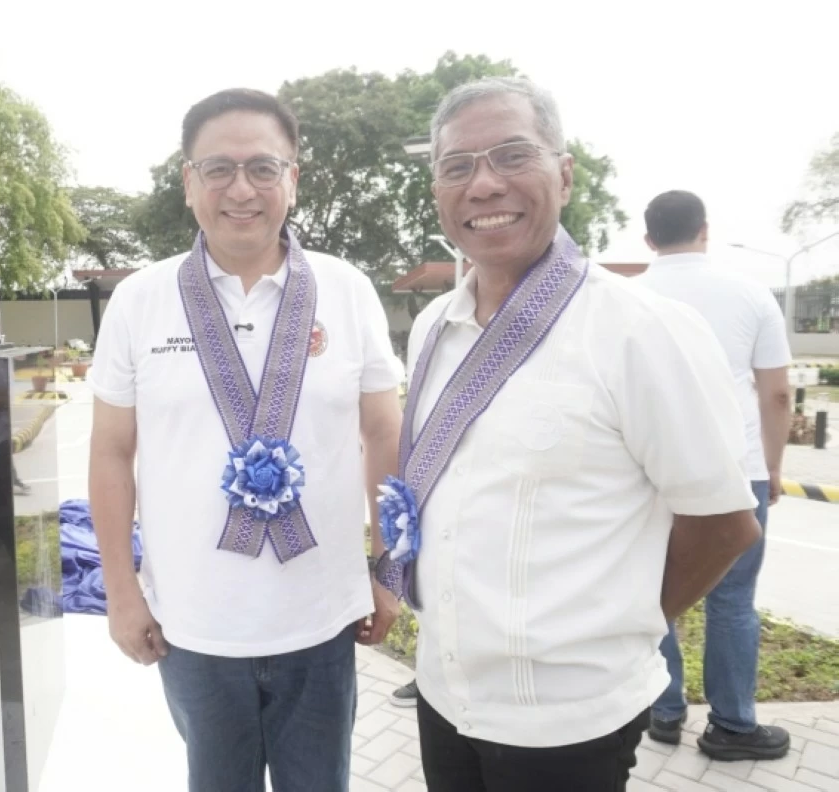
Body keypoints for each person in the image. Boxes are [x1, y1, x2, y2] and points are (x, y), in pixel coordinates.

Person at [388, 76, 763, 792]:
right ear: (436, 188)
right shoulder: (435, 327)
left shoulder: (643, 331)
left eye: (511, 155)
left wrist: (609, 629)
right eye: (457, 166)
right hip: (444, 691)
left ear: (564, 172)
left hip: (569, 722)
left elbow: (723, 522)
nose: (484, 184)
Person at [86, 88, 405, 791]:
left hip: (321, 621)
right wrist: (120, 590)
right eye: (219, 168)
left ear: (293, 177)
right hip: (192, 626)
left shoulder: (346, 290)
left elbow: (383, 430)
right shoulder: (141, 298)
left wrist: (390, 566)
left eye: (264, 167)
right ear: (187, 181)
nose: (242, 189)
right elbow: (111, 450)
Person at [635, 189, 793, 760]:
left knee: (656, 591)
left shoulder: (628, 298)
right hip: (736, 471)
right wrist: (772, 466)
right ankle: (731, 726)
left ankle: (664, 710)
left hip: (650, 477)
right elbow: (775, 392)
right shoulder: (751, 295)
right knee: (732, 600)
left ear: (648, 239)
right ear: (705, 229)